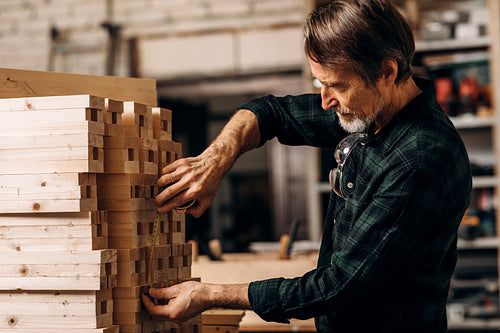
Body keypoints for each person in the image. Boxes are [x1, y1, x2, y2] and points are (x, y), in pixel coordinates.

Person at [142, 0, 472, 332]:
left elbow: (337, 286)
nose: (326, 100)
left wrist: (210, 294)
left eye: (337, 86)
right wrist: (214, 162)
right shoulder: (372, 111)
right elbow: (271, 113)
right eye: (319, 84)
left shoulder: (420, 161)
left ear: (387, 72)